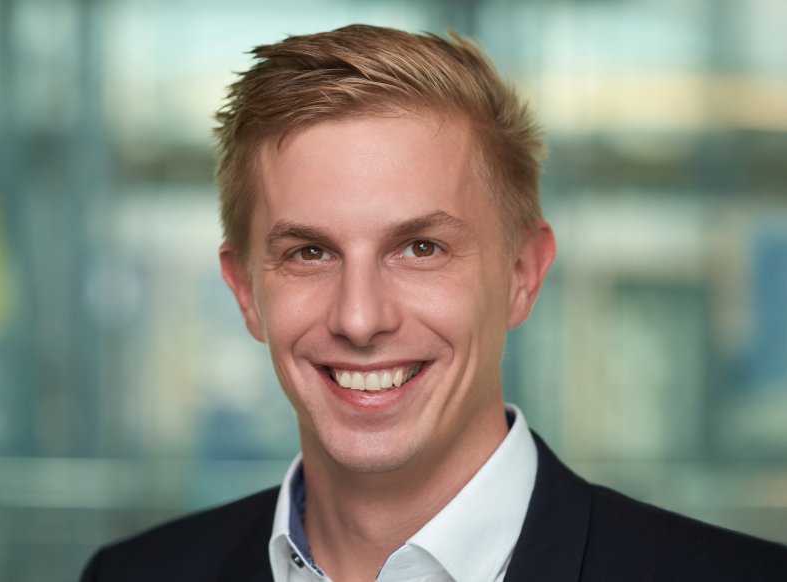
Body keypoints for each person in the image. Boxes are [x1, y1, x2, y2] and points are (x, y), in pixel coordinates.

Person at [80, 24, 787, 582]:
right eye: (310, 253)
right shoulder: (133, 575)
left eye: (420, 248)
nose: (360, 319)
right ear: (245, 292)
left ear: (522, 274)